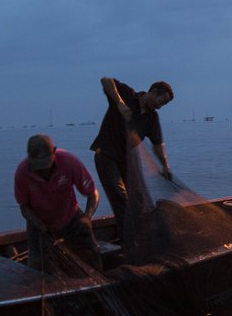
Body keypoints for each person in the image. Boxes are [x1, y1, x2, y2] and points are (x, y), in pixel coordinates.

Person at [90, 77, 174, 229]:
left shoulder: (152, 117)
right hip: (106, 154)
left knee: (138, 198)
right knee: (119, 195)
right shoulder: (127, 94)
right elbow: (106, 80)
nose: (160, 107)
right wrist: (120, 103)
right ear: (153, 92)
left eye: (164, 105)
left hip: (128, 158)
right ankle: (127, 237)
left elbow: (157, 144)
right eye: (161, 102)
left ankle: (140, 232)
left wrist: (165, 165)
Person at [15, 134, 103, 273]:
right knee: (37, 264)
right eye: (38, 167)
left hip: (70, 217)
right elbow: (24, 207)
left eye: (45, 165)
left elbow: (93, 194)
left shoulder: (70, 162)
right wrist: (40, 226)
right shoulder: (22, 172)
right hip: (39, 223)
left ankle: (97, 282)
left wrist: (87, 216)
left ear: (54, 151)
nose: (43, 171)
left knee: (91, 252)